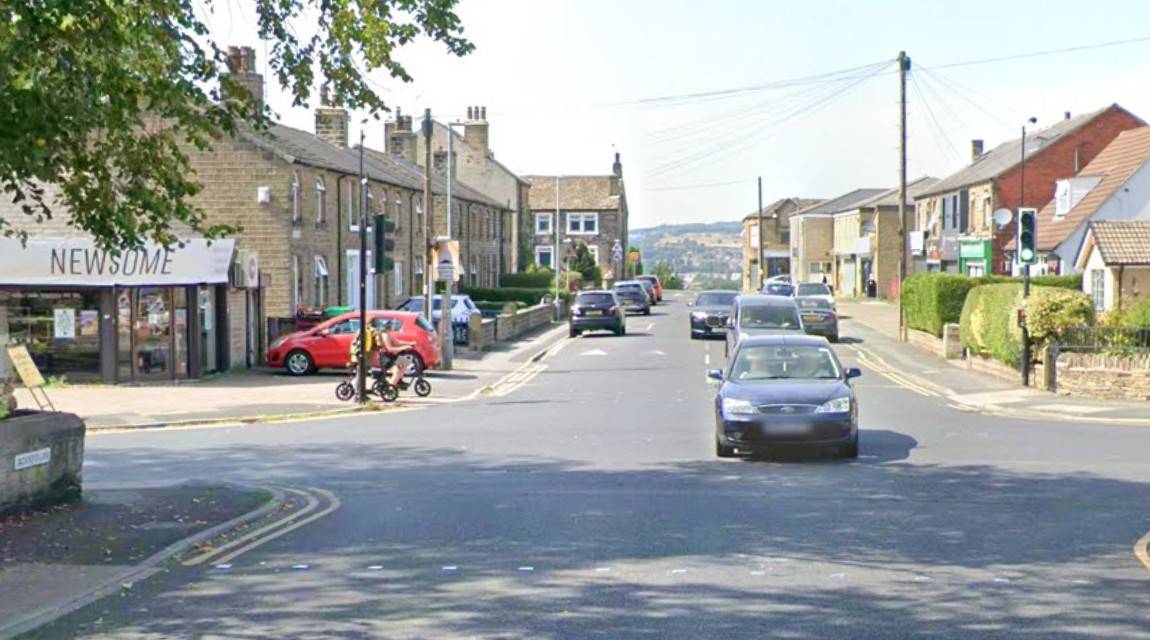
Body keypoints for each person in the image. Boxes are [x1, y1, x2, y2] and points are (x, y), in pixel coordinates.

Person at [375, 319, 417, 387]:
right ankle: (390, 388)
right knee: (397, 371)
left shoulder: (388, 334)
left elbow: (397, 342)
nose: (393, 326)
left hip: (390, 356)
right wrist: (403, 348)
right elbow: (390, 349)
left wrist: (409, 343)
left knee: (404, 362)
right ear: (387, 326)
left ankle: (398, 381)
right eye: (391, 325)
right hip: (385, 358)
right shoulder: (385, 335)